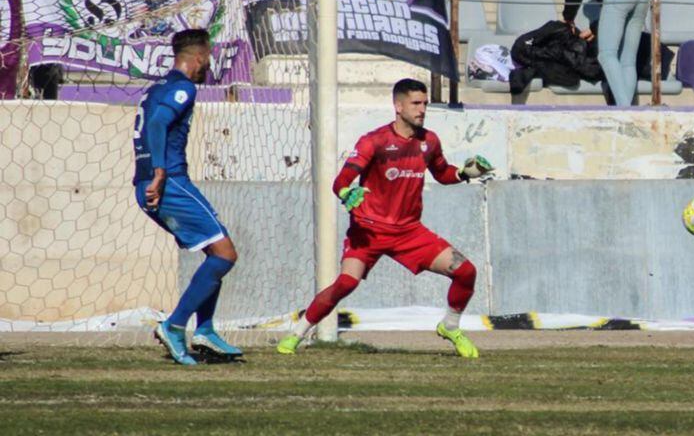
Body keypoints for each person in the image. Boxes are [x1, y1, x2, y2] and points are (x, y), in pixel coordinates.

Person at [277, 78, 495, 358]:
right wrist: (346, 193)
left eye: (425, 104)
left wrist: (465, 174)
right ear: (398, 106)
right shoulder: (375, 141)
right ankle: (296, 334)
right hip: (368, 231)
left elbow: (442, 173)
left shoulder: (429, 141)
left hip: (409, 232)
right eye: (416, 103)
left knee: (466, 271)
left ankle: (450, 326)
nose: (422, 110)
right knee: (346, 283)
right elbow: (341, 180)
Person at [134, 29, 241, 365]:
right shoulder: (183, 88)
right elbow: (157, 123)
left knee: (215, 248)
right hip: (168, 183)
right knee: (225, 254)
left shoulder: (159, 87)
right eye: (207, 57)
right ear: (198, 57)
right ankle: (175, 325)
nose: (208, 64)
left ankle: (205, 330)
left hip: (159, 183)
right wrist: (161, 171)